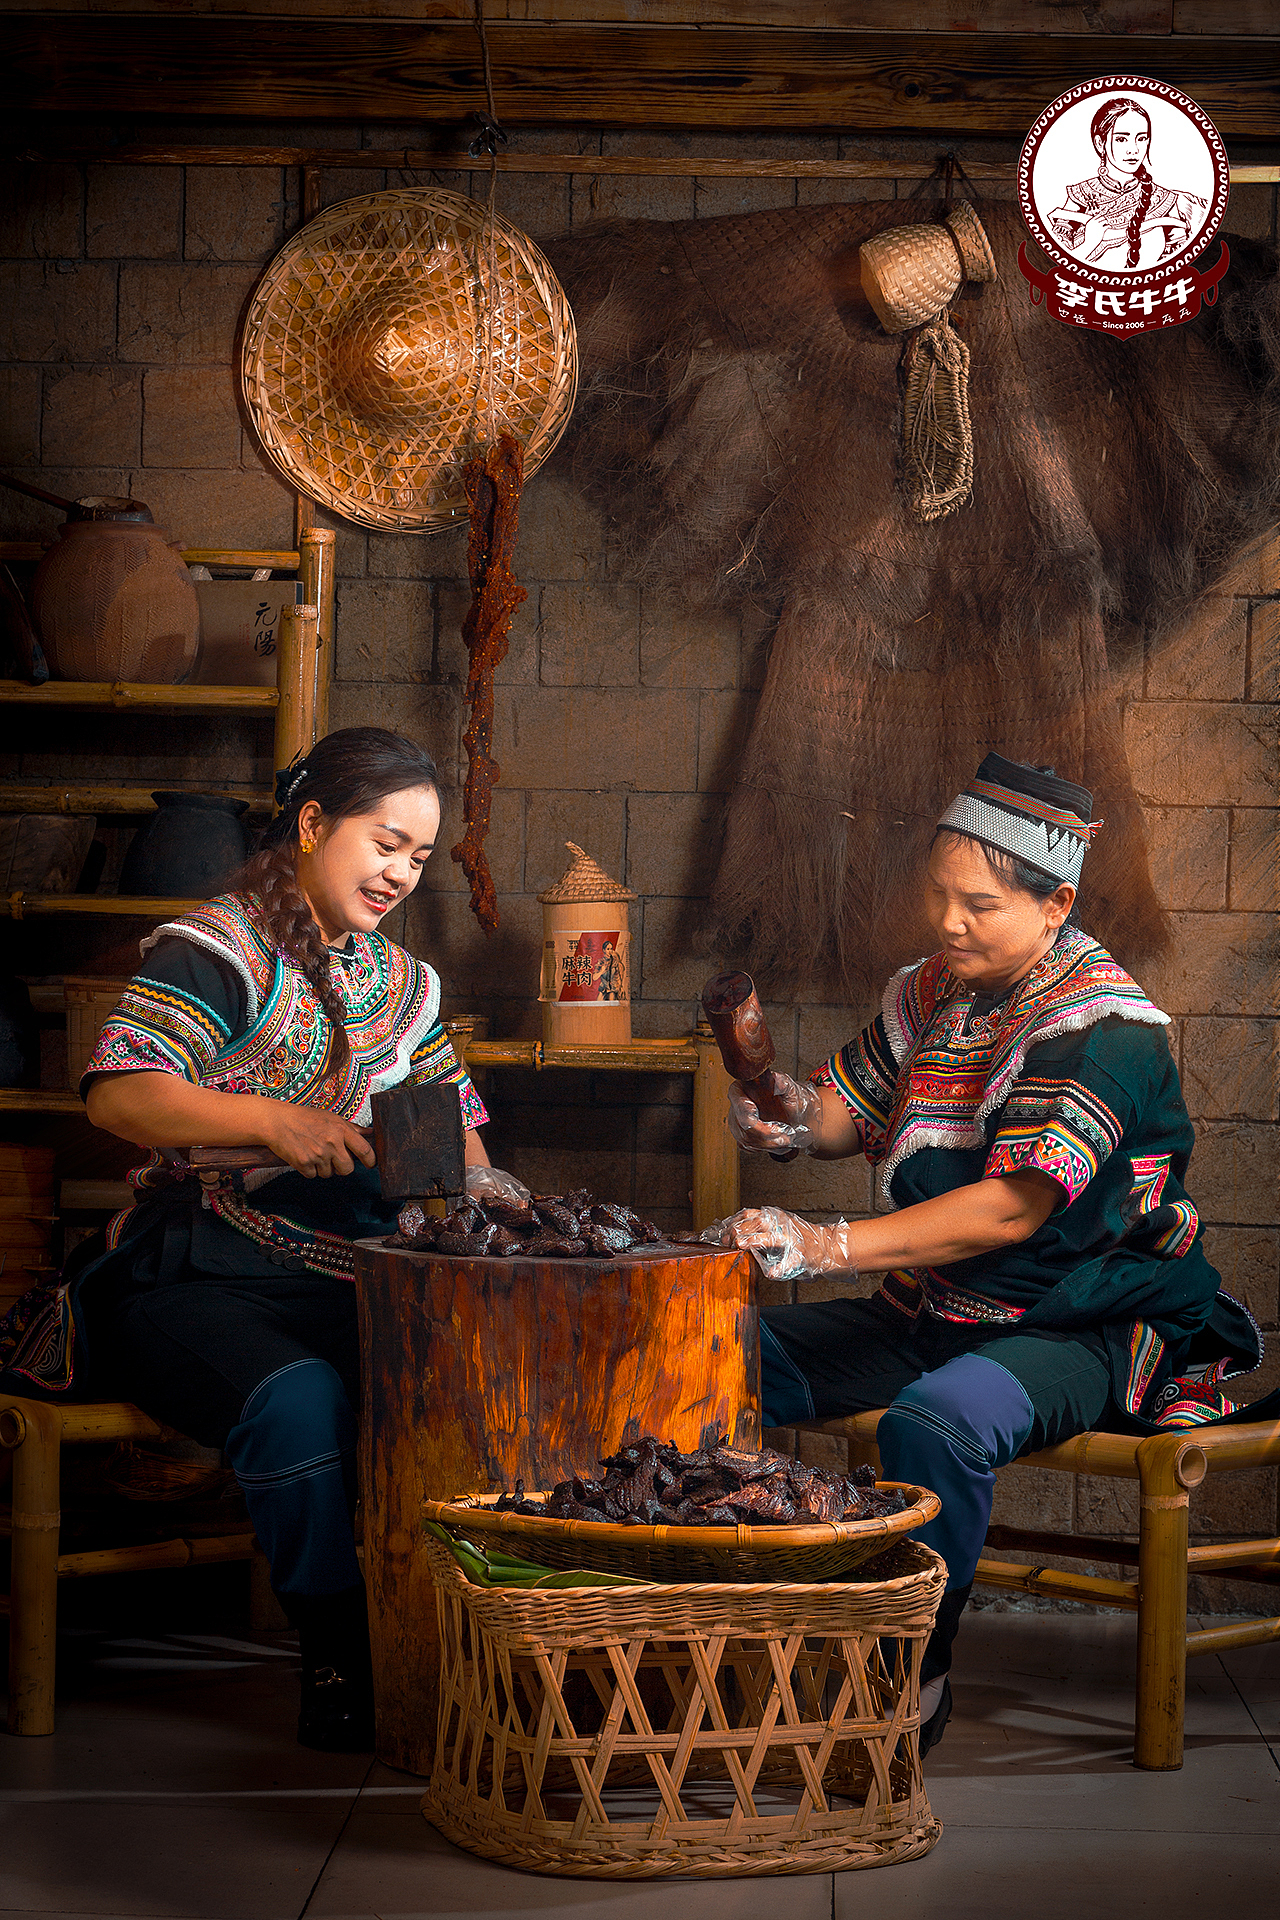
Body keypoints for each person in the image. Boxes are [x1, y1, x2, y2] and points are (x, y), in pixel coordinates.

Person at [717, 754, 1266, 1756]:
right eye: (937, 897)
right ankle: (678, 1630)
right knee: (714, 1355)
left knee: (938, 1421)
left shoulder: (1103, 1027)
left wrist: (822, 1242)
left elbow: (1010, 1211)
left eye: (975, 904)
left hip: (1083, 1317)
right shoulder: (937, 988)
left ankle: (912, 1674)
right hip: (939, 1305)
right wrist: (792, 1120)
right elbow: (852, 1109)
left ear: (1054, 903)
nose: (947, 923)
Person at [0, 727, 527, 1752]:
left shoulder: (401, 985)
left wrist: (486, 1184)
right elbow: (120, 1094)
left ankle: (463, 1634)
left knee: (455, 1372)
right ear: (312, 824)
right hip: (192, 1272)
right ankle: (339, 1651)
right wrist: (274, 1123)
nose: (400, 873)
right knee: (299, 1400)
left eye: (419, 856)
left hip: (339, 1273)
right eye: (384, 843)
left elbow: (450, 1124)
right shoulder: (221, 947)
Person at [1047, 96, 1207, 270]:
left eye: (1141, 138)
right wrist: (1090, 241)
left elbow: (1177, 263)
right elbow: (1058, 263)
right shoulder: (1081, 195)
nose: (1134, 149)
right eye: (1121, 139)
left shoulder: (1166, 200)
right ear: (1100, 143)